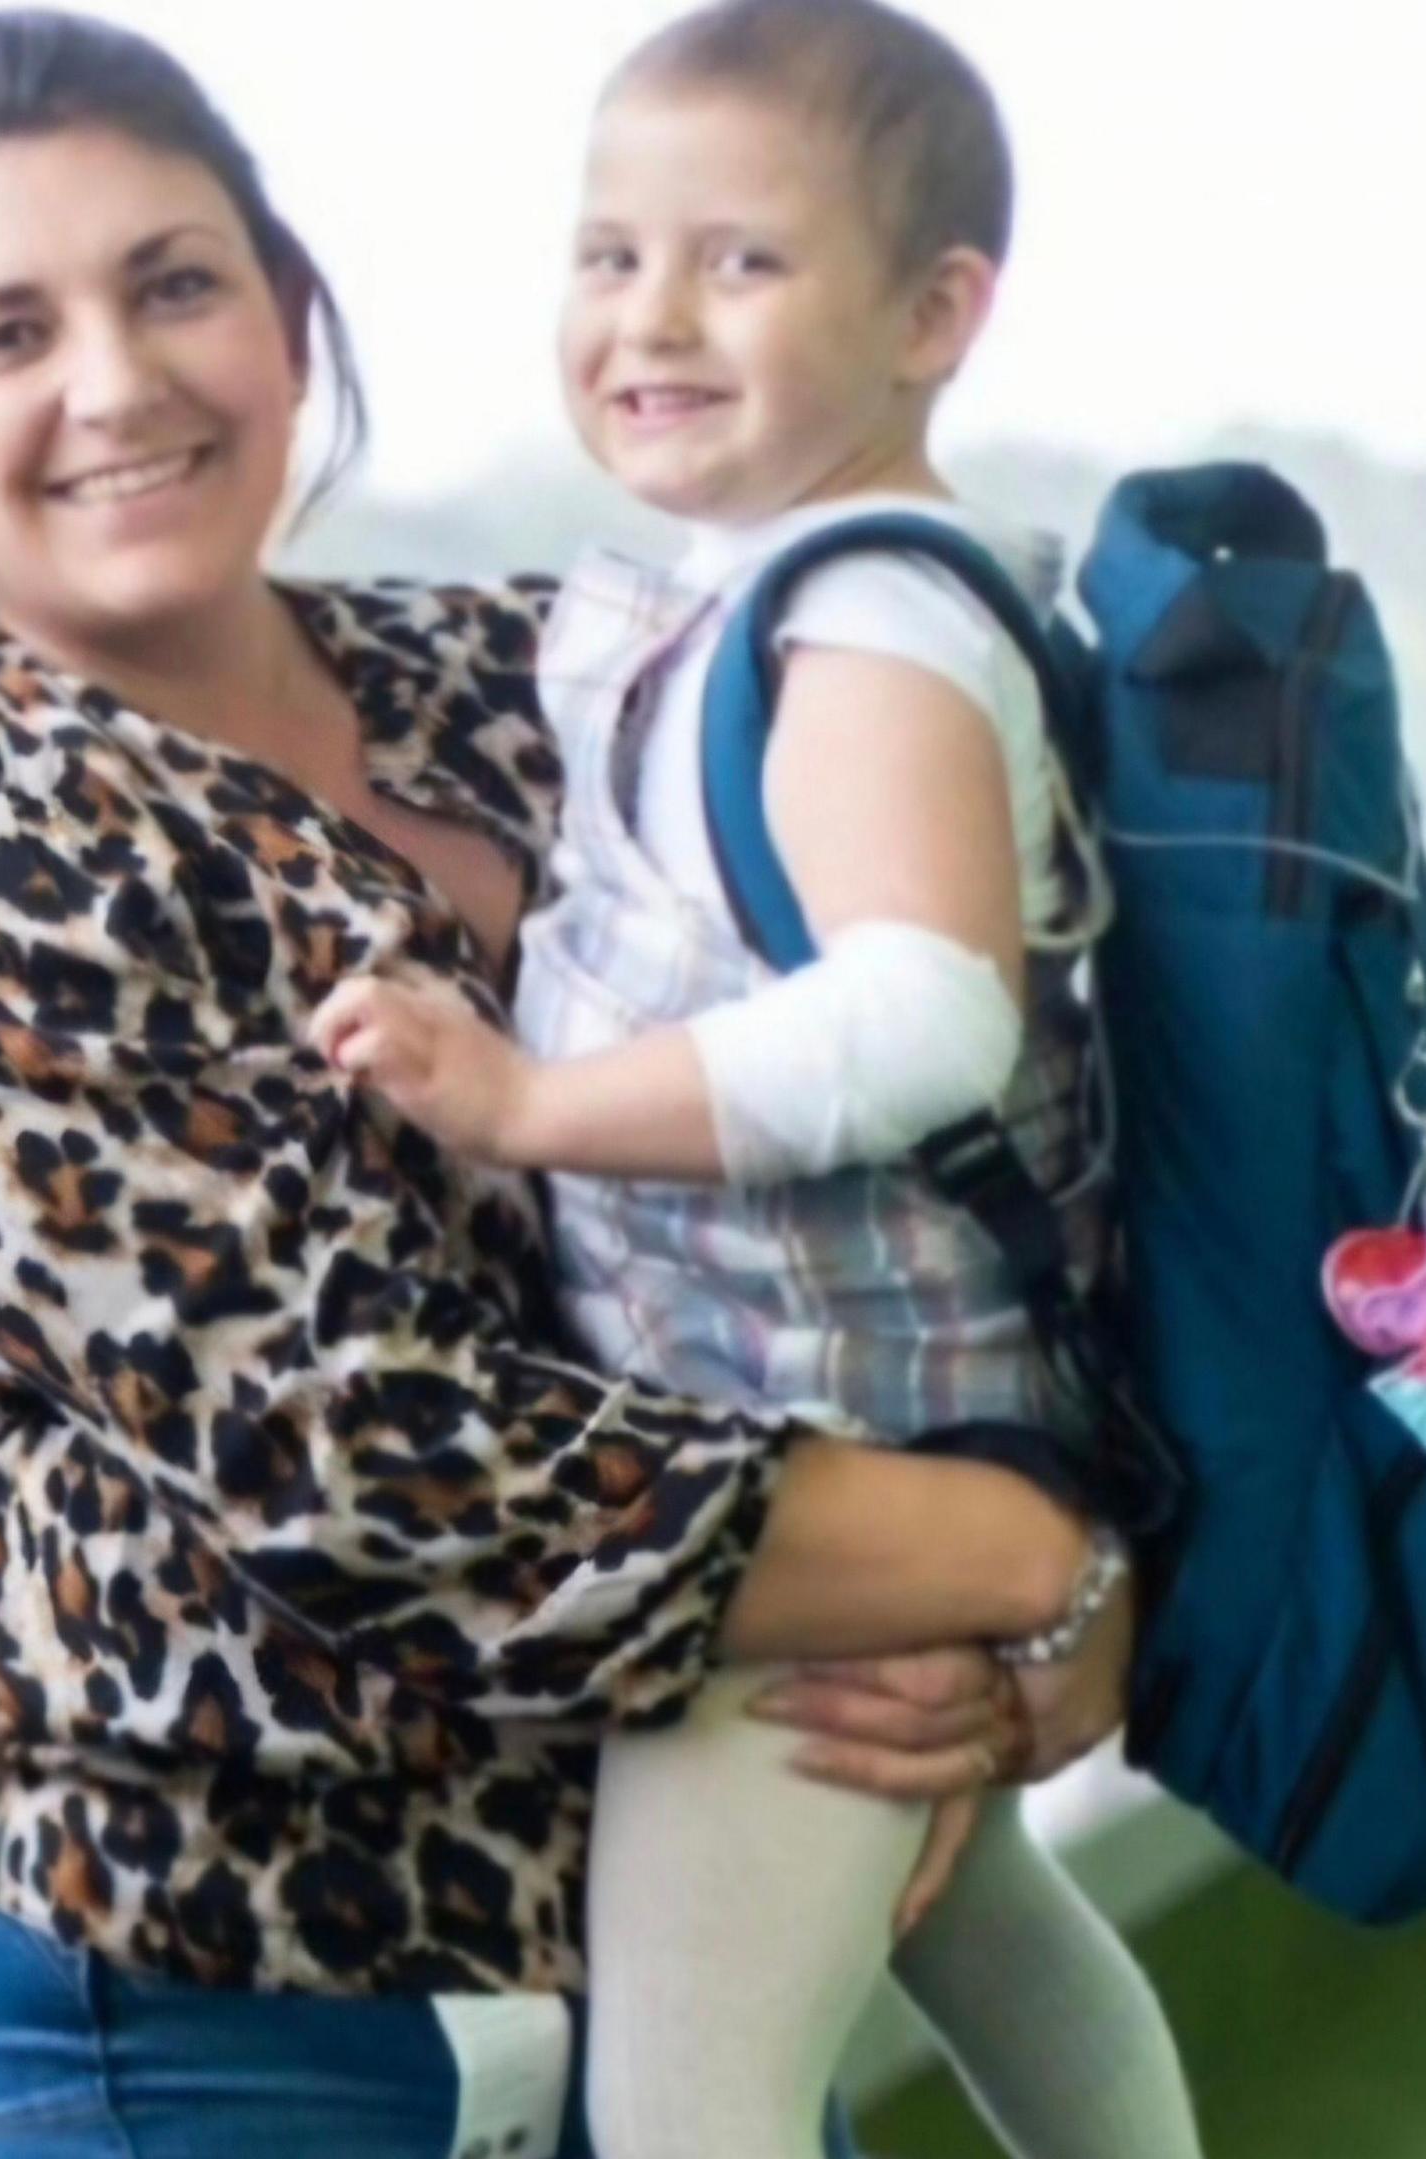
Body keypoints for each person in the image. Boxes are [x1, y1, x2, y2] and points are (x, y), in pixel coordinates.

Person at [0, 12, 1135, 2152]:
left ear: (288, 323)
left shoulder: (539, 668)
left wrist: (1064, 1631)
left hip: (682, 1886)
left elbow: (941, 1102)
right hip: (207, 1986)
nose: (119, 378)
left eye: (176, 284)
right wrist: (1024, 1541)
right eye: (8, 330)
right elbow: (381, 1472)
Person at [306, 5, 1197, 2151]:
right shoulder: (772, 592)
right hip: (833, 1407)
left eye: (740, 261)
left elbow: (920, 1013)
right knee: (993, 1933)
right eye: (607, 255)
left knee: (694, 2103)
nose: (650, 315)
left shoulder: (874, 616)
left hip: (827, 1449)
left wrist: (521, 1106)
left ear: (934, 312)